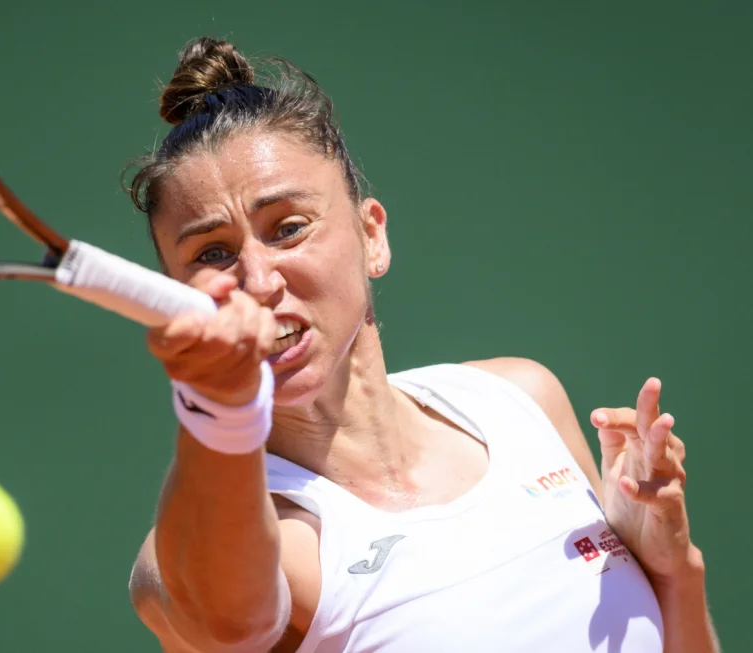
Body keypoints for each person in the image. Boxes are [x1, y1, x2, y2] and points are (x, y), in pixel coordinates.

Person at [124, 37, 719, 653]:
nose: (258, 280)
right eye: (211, 253)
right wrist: (220, 409)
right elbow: (221, 619)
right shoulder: (245, 549)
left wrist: (674, 570)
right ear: (178, 295)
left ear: (370, 236)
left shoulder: (520, 398)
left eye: (289, 228)